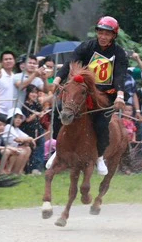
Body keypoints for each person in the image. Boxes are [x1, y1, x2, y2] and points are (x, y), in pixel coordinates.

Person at [48, 16, 129, 176]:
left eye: (108, 34)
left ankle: (99, 157)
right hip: (83, 92)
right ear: (97, 33)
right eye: (101, 33)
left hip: (105, 96)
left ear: (114, 36)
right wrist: (57, 80)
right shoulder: (87, 46)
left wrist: (120, 95)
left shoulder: (119, 53)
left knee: (101, 124)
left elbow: (120, 75)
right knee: (60, 111)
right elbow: (70, 63)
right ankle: (57, 150)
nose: (103, 37)